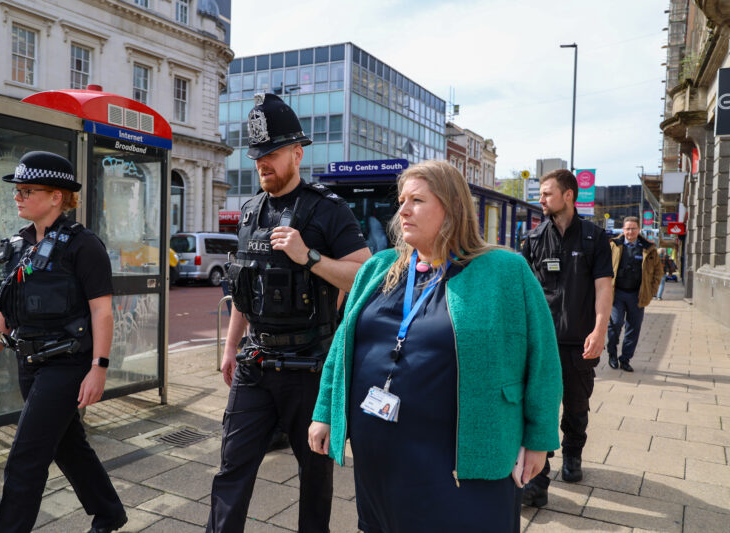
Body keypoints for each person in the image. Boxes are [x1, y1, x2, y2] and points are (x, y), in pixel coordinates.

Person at [309, 160, 562, 533]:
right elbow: (343, 346)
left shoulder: (504, 271)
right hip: (381, 455)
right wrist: (325, 411)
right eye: (401, 200)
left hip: (459, 459)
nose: (403, 210)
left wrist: (539, 439)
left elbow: (542, 360)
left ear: (451, 207)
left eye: (417, 200)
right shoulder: (379, 267)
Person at [208, 93, 371, 533]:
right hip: (254, 364)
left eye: (273, 154)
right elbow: (244, 290)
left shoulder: (328, 210)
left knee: (314, 477)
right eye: (258, 156)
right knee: (230, 470)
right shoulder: (249, 212)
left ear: (297, 154)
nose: (263, 164)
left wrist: (309, 257)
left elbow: (363, 274)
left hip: (309, 368)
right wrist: (229, 349)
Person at [0, 152, 126, 533]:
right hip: (30, 364)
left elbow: (102, 313)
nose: (17, 196)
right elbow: (6, 310)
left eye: (27, 190)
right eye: (17, 190)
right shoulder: (20, 245)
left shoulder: (84, 245)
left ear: (57, 196)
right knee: (67, 446)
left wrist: (99, 368)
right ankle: (109, 513)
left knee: (26, 456)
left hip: (68, 365)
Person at [521, 168, 614, 507]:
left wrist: (600, 329)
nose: (540, 199)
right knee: (539, 406)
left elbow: (604, 286)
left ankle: (572, 455)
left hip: (579, 342)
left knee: (575, 407)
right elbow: (524, 291)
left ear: (569, 196)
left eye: (546, 193)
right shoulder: (533, 239)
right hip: (542, 343)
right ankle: (536, 482)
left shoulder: (594, 237)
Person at [606, 217, 663, 372]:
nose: (630, 232)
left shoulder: (648, 248)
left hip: (637, 295)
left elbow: (658, 272)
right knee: (615, 324)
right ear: (623, 230)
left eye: (633, 228)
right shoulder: (613, 245)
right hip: (616, 293)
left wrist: (651, 291)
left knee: (634, 328)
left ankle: (625, 359)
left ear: (639, 230)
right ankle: (612, 353)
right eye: (627, 229)